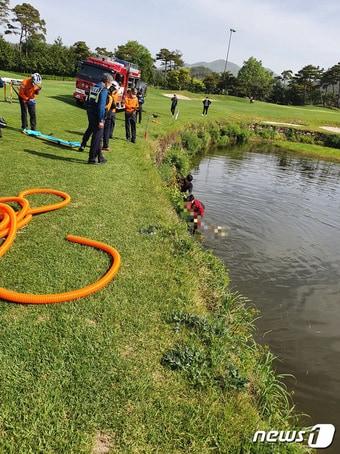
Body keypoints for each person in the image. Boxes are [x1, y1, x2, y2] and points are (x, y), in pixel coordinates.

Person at [84, 73, 113, 164]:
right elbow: (101, 106)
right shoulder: (103, 89)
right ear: (107, 81)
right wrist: (101, 120)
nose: (110, 84)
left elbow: (88, 100)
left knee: (98, 136)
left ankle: (100, 157)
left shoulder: (95, 87)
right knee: (97, 137)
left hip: (90, 113)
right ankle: (92, 158)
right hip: (97, 115)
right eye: (110, 82)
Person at [102, 85, 119, 150]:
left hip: (105, 114)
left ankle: (105, 145)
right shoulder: (110, 97)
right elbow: (113, 106)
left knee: (103, 131)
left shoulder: (105, 94)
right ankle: (105, 145)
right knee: (105, 130)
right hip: (107, 115)